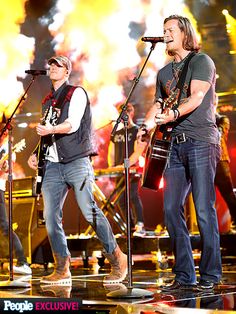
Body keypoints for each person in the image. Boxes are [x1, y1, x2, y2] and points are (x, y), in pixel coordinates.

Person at [27, 55, 127, 285]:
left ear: (67, 71)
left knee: (89, 210)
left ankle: (117, 258)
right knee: (50, 217)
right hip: (52, 166)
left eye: (58, 65)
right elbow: (48, 132)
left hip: (76, 161)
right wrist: (36, 152)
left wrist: (50, 128)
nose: (52, 67)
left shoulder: (76, 93)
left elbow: (71, 124)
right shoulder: (47, 100)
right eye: (50, 64)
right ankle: (62, 268)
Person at [140, 15, 222, 292]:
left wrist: (174, 113)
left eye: (170, 30)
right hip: (173, 145)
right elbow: (158, 104)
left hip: (200, 140)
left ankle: (210, 275)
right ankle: (184, 276)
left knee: (203, 209)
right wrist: (147, 124)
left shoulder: (201, 62)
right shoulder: (164, 72)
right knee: (170, 209)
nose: (165, 35)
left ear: (185, 33)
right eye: (162, 31)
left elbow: (198, 96)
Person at [108, 102, 147, 236]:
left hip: (132, 170)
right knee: (120, 200)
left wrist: (126, 164)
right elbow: (111, 152)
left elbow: (137, 152)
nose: (124, 113)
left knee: (133, 196)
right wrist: (112, 168)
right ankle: (129, 228)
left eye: (127, 110)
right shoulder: (116, 133)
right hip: (119, 171)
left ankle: (140, 225)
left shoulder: (137, 130)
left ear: (132, 112)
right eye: (121, 111)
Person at [0, 126, 32, 275]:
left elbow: (7, 169)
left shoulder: (8, 148)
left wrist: (5, 165)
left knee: (5, 226)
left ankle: (22, 261)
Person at [214, 94, 236, 231]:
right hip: (205, 161)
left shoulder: (222, 119)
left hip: (220, 162)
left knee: (228, 194)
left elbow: (218, 134)